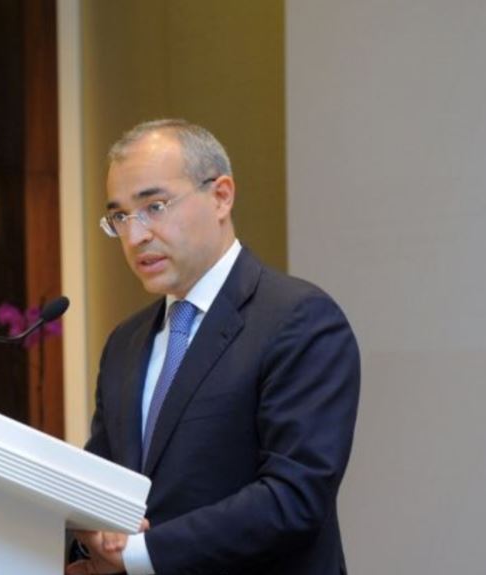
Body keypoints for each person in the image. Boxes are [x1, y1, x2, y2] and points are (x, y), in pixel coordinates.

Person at [66, 119, 360, 575]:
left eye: (154, 207)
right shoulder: (125, 342)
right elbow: (105, 483)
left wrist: (139, 556)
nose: (135, 236)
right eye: (120, 217)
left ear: (221, 196)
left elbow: (293, 498)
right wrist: (88, 541)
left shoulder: (300, 320)